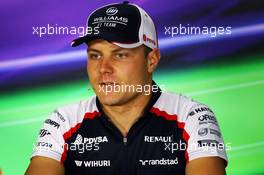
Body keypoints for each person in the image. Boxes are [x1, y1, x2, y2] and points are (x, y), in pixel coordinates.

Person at [25, 1, 227, 175]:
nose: (103, 68)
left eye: (120, 55)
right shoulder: (63, 121)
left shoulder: (192, 116)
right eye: (95, 55)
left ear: (152, 60)